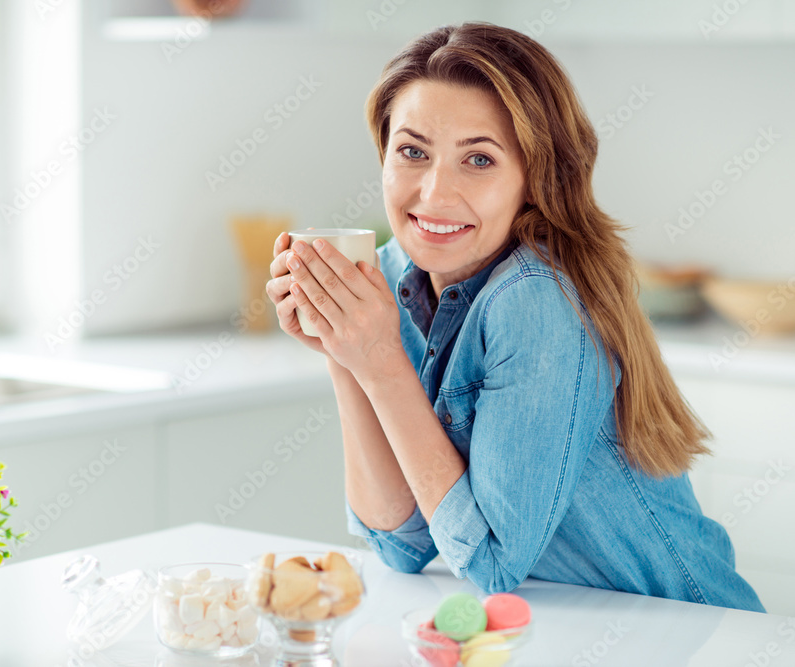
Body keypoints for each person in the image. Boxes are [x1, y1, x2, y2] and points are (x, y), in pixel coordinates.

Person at [265, 22, 764, 612]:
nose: (434, 192)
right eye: (412, 151)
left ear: (533, 180)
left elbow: (491, 562)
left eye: (478, 159)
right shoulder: (394, 273)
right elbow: (401, 544)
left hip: (692, 634)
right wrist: (344, 349)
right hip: (565, 635)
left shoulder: (536, 301)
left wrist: (378, 362)